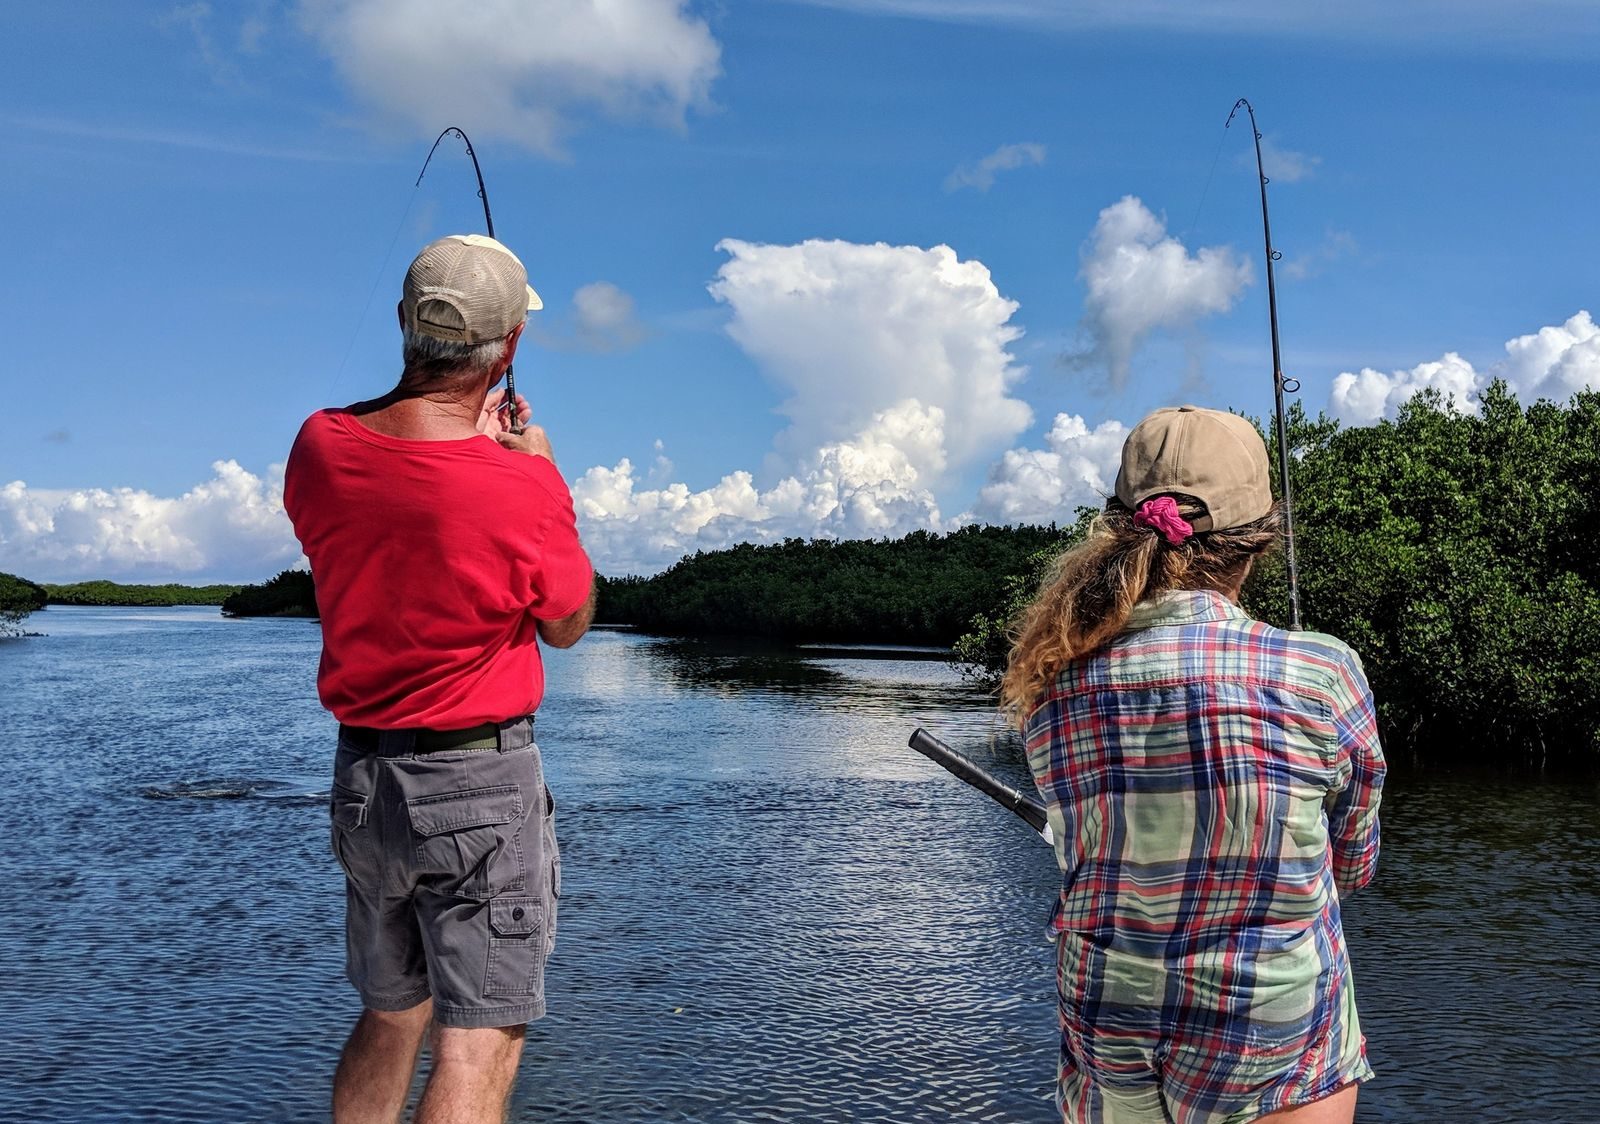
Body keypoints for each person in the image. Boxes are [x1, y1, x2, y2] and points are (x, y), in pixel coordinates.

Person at [284, 234, 596, 1124]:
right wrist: (532, 465)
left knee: (391, 1015)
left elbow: (400, 480)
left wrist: (483, 449)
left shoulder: (319, 447)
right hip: (477, 787)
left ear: (402, 324)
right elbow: (567, 624)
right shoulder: (520, 487)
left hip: (364, 784)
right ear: (508, 349)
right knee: (481, 1040)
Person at [1000, 406, 1384, 1124]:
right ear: (1260, 539)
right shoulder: (1324, 672)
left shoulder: (1050, 680)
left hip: (1106, 1020)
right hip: (1269, 1030)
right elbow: (1353, 863)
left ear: (1118, 527)